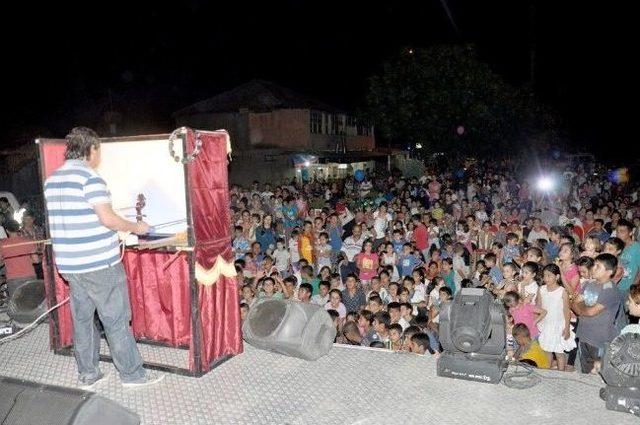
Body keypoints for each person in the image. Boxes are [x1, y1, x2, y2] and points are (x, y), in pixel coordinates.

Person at [43, 127, 162, 389]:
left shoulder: (52, 181)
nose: (99, 156)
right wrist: (135, 227)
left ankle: (88, 374)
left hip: (71, 266)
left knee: (83, 321)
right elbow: (107, 219)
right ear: (91, 149)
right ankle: (133, 375)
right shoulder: (90, 178)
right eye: (99, 150)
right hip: (99, 264)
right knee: (116, 320)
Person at [571, 253, 623, 374]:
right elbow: (573, 303)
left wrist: (581, 307)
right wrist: (583, 309)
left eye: (598, 266)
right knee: (585, 372)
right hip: (584, 335)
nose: (593, 268)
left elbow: (591, 311)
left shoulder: (610, 289)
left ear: (609, 271)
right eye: (594, 265)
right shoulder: (588, 284)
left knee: (599, 373)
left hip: (600, 339)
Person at [536, 264, 576, 371]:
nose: (546, 278)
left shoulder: (562, 291)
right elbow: (538, 307)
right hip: (546, 324)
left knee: (559, 352)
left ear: (557, 276)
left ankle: (561, 373)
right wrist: (535, 322)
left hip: (558, 325)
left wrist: (567, 328)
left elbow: (566, 311)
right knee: (547, 350)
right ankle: (547, 372)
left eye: (549, 275)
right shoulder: (541, 289)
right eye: (544, 275)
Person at [0, 220, 38, 303]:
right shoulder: (28, 240)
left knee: (17, 305)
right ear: (18, 229)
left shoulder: (2, 244)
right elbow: (36, 260)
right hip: (30, 276)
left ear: (7, 230)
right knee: (32, 303)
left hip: (13, 279)